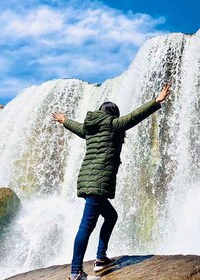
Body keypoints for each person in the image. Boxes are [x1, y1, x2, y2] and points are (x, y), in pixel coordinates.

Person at [52, 84, 171, 280]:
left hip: (88, 179)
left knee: (111, 216)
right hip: (98, 182)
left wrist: (64, 120)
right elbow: (134, 116)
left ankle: (100, 259)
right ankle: (75, 273)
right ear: (113, 114)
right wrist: (156, 101)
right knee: (86, 226)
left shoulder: (90, 128)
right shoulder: (113, 124)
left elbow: (76, 127)